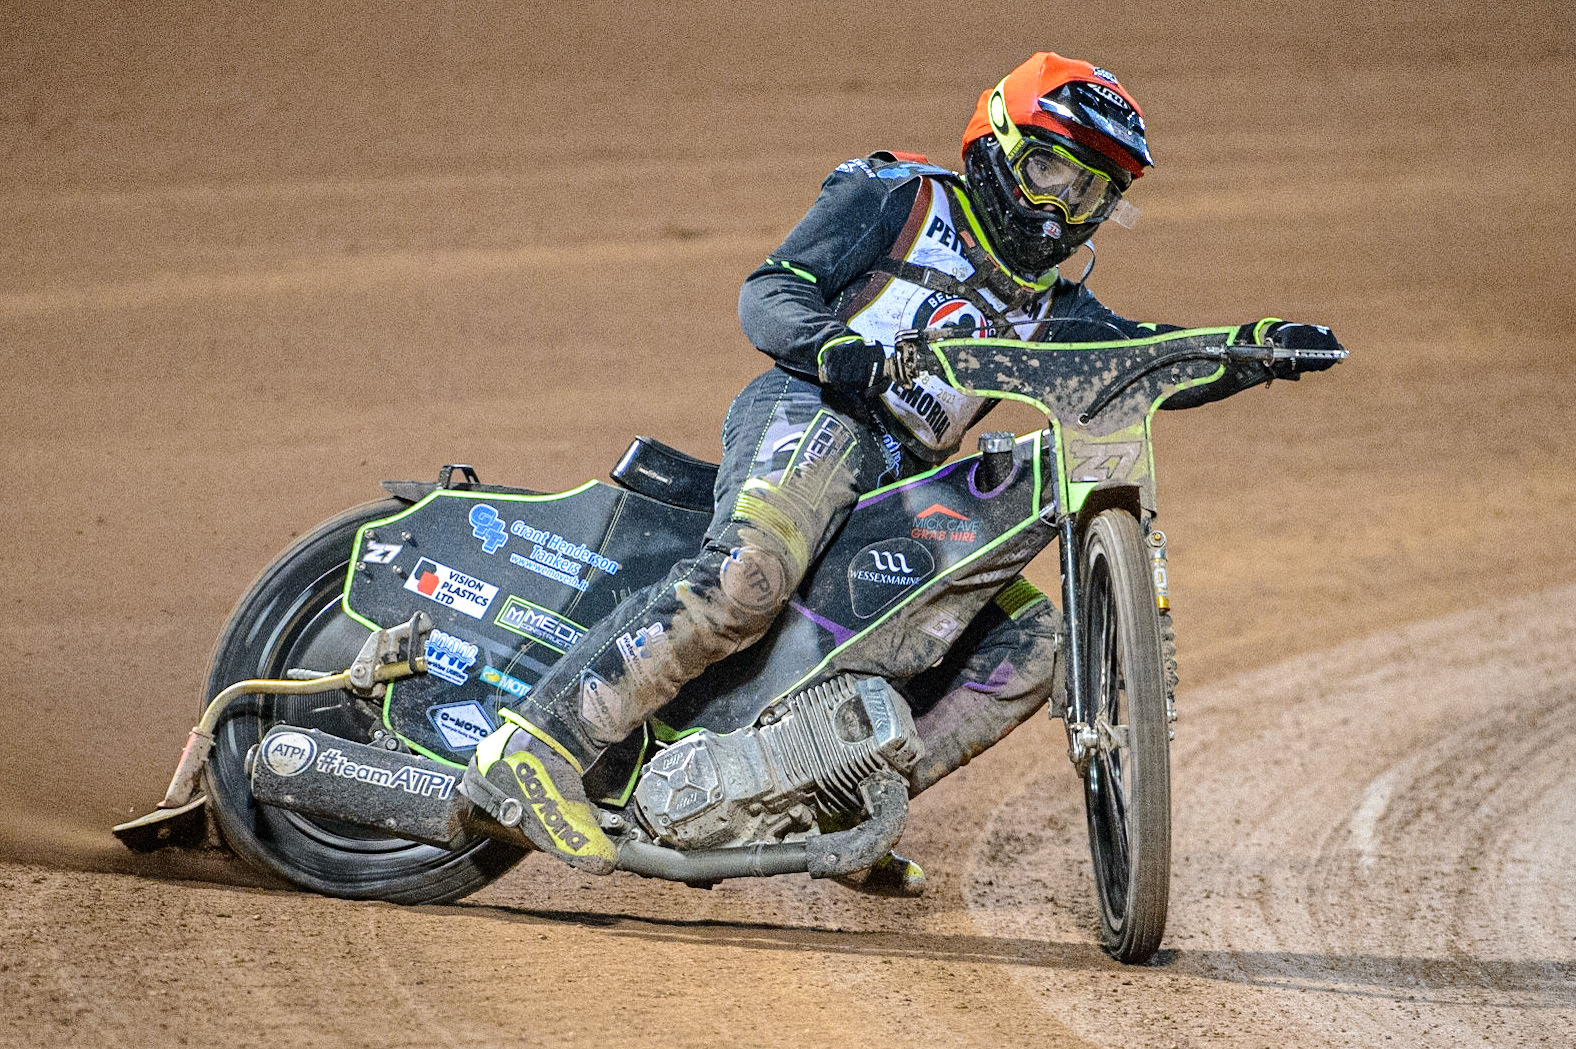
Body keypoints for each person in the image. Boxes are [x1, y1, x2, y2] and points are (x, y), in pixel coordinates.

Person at [459, 52, 1343, 877]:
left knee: (1030, 646)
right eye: (1047, 172)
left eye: (1090, 193)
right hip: (814, 413)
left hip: (901, 486)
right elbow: (768, 292)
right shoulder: (899, 196)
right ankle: (534, 750)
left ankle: (821, 801)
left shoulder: (1057, 309)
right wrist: (835, 349)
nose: (1060, 210)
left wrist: (1250, 350)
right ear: (994, 147)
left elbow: (1146, 365)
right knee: (750, 577)